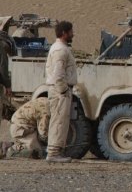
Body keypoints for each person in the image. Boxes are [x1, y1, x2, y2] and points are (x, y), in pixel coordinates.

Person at [45, 20, 77, 163]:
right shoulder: (60, 50)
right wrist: (63, 90)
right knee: (58, 121)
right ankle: (53, 153)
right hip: (60, 91)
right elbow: (58, 74)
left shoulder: (61, 48)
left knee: (60, 121)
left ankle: (56, 151)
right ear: (64, 33)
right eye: (70, 31)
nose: (73, 34)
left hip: (60, 91)